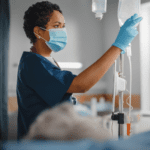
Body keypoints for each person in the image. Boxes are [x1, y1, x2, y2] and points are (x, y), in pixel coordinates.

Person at [17, 1, 143, 141]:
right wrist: (118, 45)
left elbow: (59, 95)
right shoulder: (33, 64)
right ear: (38, 31)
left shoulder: (46, 62)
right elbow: (80, 85)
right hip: (41, 141)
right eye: (56, 26)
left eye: (63, 26)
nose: (62, 31)